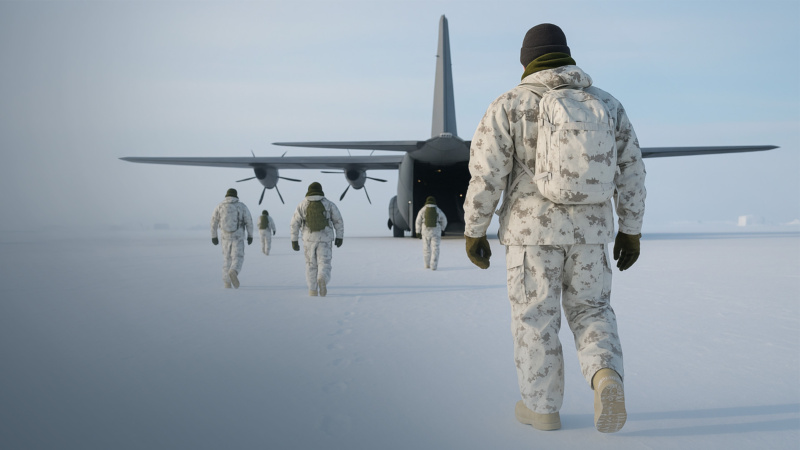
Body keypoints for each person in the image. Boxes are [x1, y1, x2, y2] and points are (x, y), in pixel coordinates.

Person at [462, 24, 646, 433]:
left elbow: (486, 175)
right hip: (591, 235)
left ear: (526, 60)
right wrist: (630, 229)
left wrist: (474, 229)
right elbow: (632, 170)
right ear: (566, 54)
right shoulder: (607, 104)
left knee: (536, 319)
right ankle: (605, 377)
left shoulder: (508, 104)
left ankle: (542, 409)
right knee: (592, 309)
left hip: (532, 237)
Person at [290, 182, 344, 297]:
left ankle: (312, 290)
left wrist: (294, 240)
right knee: (324, 262)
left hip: (308, 239)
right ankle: (322, 277)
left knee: (311, 265)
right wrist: (339, 236)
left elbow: (294, 223)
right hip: (325, 238)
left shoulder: (302, 204)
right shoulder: (328, 204)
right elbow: (338, 221)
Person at [211, 188, 254, 289]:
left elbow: (213, 222)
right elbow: (249, 221)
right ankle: (234, 271)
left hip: (225, 237)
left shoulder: (219, 206)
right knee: (238, 257)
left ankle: (227, 283)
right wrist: (250, 235)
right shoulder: (242, 206)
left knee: (227, 259)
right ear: (236, 195)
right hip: (238, 237)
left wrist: (214, 236)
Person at [414, 196, 448, 270]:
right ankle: (434, 266)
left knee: (426, 249)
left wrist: (418, 231)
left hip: (425, 231)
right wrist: (442, 229)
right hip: (436, 231)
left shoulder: (423, 210)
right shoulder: (437, 210)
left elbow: (418, 221)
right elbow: (444, 220)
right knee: (435, 248)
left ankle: (427, 265)